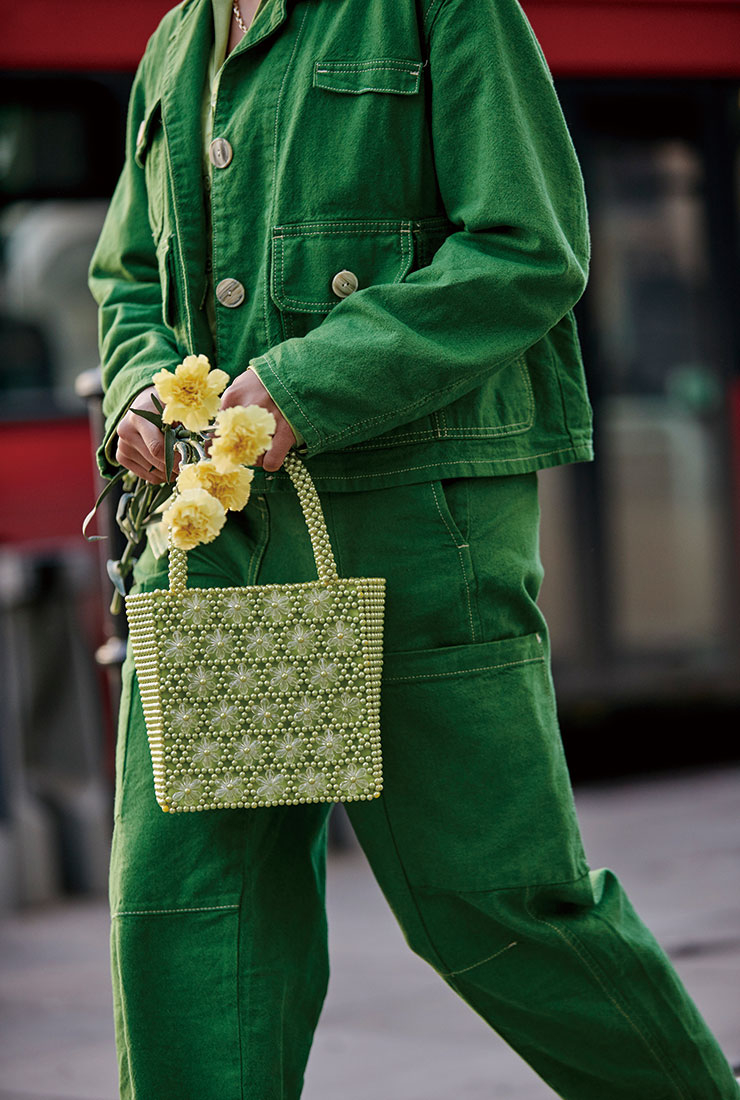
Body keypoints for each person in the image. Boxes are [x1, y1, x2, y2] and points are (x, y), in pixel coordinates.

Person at [88, 1, 740, 1097]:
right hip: (208, 542)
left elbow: (527, 247)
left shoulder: (443, 7)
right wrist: (138, 386)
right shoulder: (173, 42)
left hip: (417, 529)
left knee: (493, 900)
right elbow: (125, 277)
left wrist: (307, 382)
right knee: (188, 914)